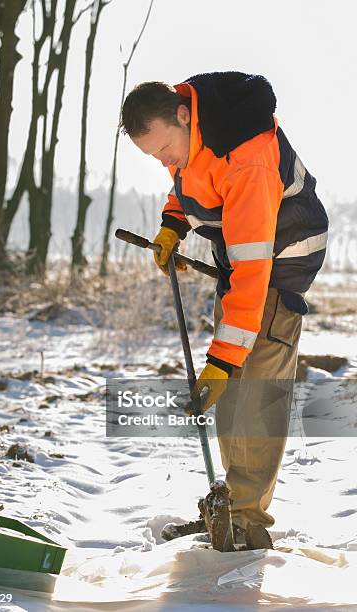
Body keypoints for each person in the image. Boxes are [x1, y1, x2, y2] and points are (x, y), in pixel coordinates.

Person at [120, 71, 328, 549]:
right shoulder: (193, 137)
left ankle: (248, 524)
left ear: (182, 115)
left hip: (280, 261)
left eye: (163, 149)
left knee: (254, 386)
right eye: (153, 156)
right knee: (231, 389)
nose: (163, 161)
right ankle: (231, 508)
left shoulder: (247, 157)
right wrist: (174, 222)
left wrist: (223, 360)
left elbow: (254, 271)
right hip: (240, 260)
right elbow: (188, 181)